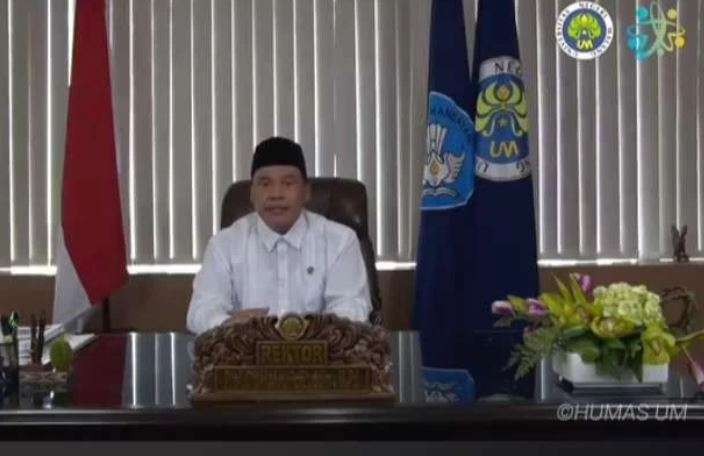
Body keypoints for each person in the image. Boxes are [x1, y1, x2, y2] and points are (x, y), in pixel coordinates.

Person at [186, 137, 372, 334]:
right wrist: (228, 324)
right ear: (252, 193)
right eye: (265, 184)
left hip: (320, 358)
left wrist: (308, 332)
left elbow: (353, 307)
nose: (276, 194)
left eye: (288, 183)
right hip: (247, 359)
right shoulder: (224, 244)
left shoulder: (340, 240)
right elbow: (200, 311)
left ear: (306, 192)